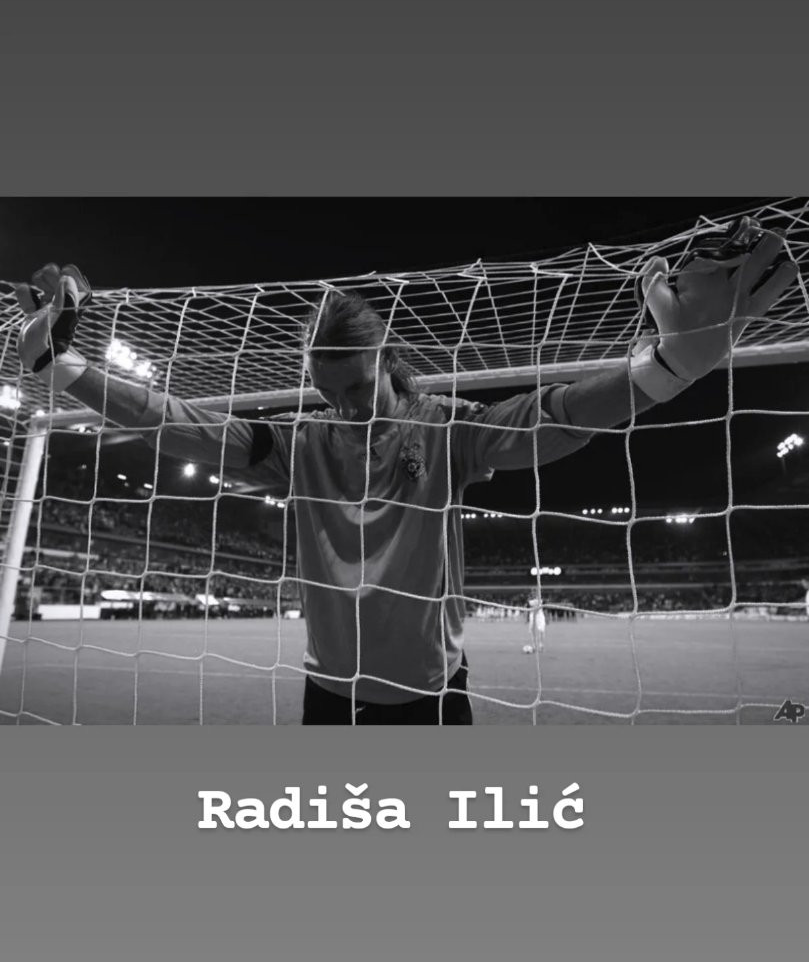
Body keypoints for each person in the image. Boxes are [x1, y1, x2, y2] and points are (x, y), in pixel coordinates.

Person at [16, 219, 797, 723]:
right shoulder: (301, 444)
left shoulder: (445, 428)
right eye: (328, 394)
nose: (345, 406)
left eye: (356, 388)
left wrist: (664, 369)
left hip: (430, 697)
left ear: (386, 358)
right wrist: (66, 367)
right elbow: (173, 419)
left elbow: (550, 419)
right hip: (327, 693)